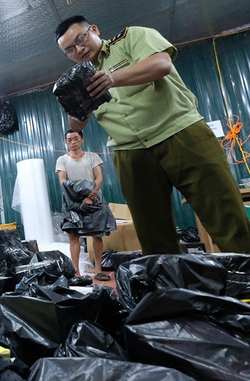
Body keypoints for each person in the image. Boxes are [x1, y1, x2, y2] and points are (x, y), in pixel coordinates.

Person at [55, 15, 250, 255]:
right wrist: (74, 99)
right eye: (70, 50)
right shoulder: (80, 79)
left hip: (180, 133)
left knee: (226, 215)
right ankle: (172, 288)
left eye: (81, 39)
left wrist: (112, 79)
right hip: (131, 152)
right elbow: (76, 125)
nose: (78, 49)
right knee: (153, 236)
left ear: (94, 29)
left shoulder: (131, 38)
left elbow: (161, 64)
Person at [55, 129, 115, 280]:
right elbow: (63, 181)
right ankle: (76, 272)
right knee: (73, 237)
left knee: (97, 235)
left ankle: (98, 270)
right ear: (66, 143)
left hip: (93, 199)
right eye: (69, 140)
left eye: (76, 138)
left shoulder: (92, 157)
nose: (73, 142)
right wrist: (78, 198)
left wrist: (91, 195)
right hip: (72, 201)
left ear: (82, 139)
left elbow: (99, 178)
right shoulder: (62, 160)